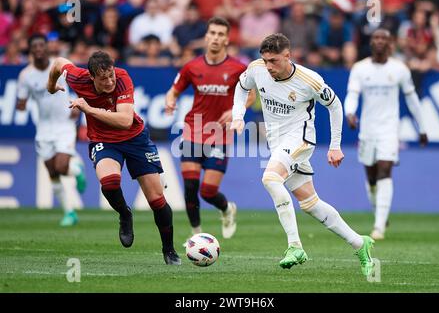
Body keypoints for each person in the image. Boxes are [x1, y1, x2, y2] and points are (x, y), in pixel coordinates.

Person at [231, 33, 375, 277]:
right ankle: (360, 244)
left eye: (274, 61)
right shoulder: (256, 70)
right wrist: (237, 116)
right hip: (277, 144)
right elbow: (241, 87)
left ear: (288, 56)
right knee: (310, 204)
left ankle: (295, 246)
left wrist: (335, 145)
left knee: (270, 179)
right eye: (265, 60)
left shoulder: (309, 80)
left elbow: (335, 105)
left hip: (300, 139)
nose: (268, 66)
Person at [46, 50, 181, 265]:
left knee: (156, 199)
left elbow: (126, 121)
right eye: (103, 78)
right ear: (91, 77)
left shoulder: (122, 78)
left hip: (135, 139)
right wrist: (51, 86)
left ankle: (169, 249)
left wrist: (88, 109)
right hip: (104, 141)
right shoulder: (77, 78)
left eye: (111, 76)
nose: (109, 81)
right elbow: (58, 63)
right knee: (109, 183)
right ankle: (125, 214)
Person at [165, 16, 255, 243]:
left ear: (226, 39)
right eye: (212, 33)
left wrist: (237, 111)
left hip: (220, 135)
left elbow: (252, 95)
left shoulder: (237, 69)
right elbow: (174, 90)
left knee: (207, 191)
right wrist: (170, 100)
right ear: (206, 37)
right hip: (193, 130)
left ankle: (227, 209)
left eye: (220, 34)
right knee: (190, 186)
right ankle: (196, 235)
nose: (215, 38)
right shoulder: (192, 67)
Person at [344, 29, 428, 240]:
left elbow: (412, 100)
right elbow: (352, 95)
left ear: (390, 44)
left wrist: (423, 127)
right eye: (376, 38)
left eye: (384, 38)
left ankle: (379, 226)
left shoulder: (399, 69)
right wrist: (350, 112)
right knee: (371, 178)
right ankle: (379, 213)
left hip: (390, 130)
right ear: (371, 42)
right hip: (368, 131)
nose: (380, 41)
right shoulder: (360, 69)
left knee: (384, 170)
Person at [16, 33, 86, 227]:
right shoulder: (26, 76)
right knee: (52, 171)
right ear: (30, 50)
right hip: (44, 128)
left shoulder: (60, 66)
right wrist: (20, 104)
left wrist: (78, 106)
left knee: (62, 166)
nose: (38, 49)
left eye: (41, 45)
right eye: (34, 46)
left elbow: (80, 83)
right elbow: (21, 102)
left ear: (47, 48)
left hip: (64, 124)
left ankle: (76, 169)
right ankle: (69, 213)